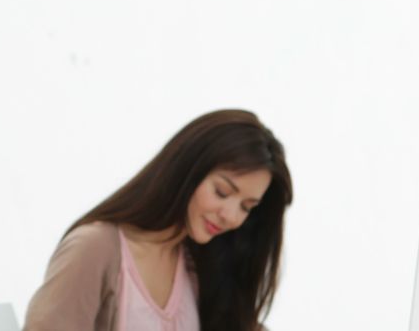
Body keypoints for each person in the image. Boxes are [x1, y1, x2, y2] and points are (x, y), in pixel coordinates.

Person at [24, 109, 293, 331]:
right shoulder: (95, 249)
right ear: (187, 170)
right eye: (221, 192)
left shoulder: (202, 265)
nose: (231, 216)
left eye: (247, 207)